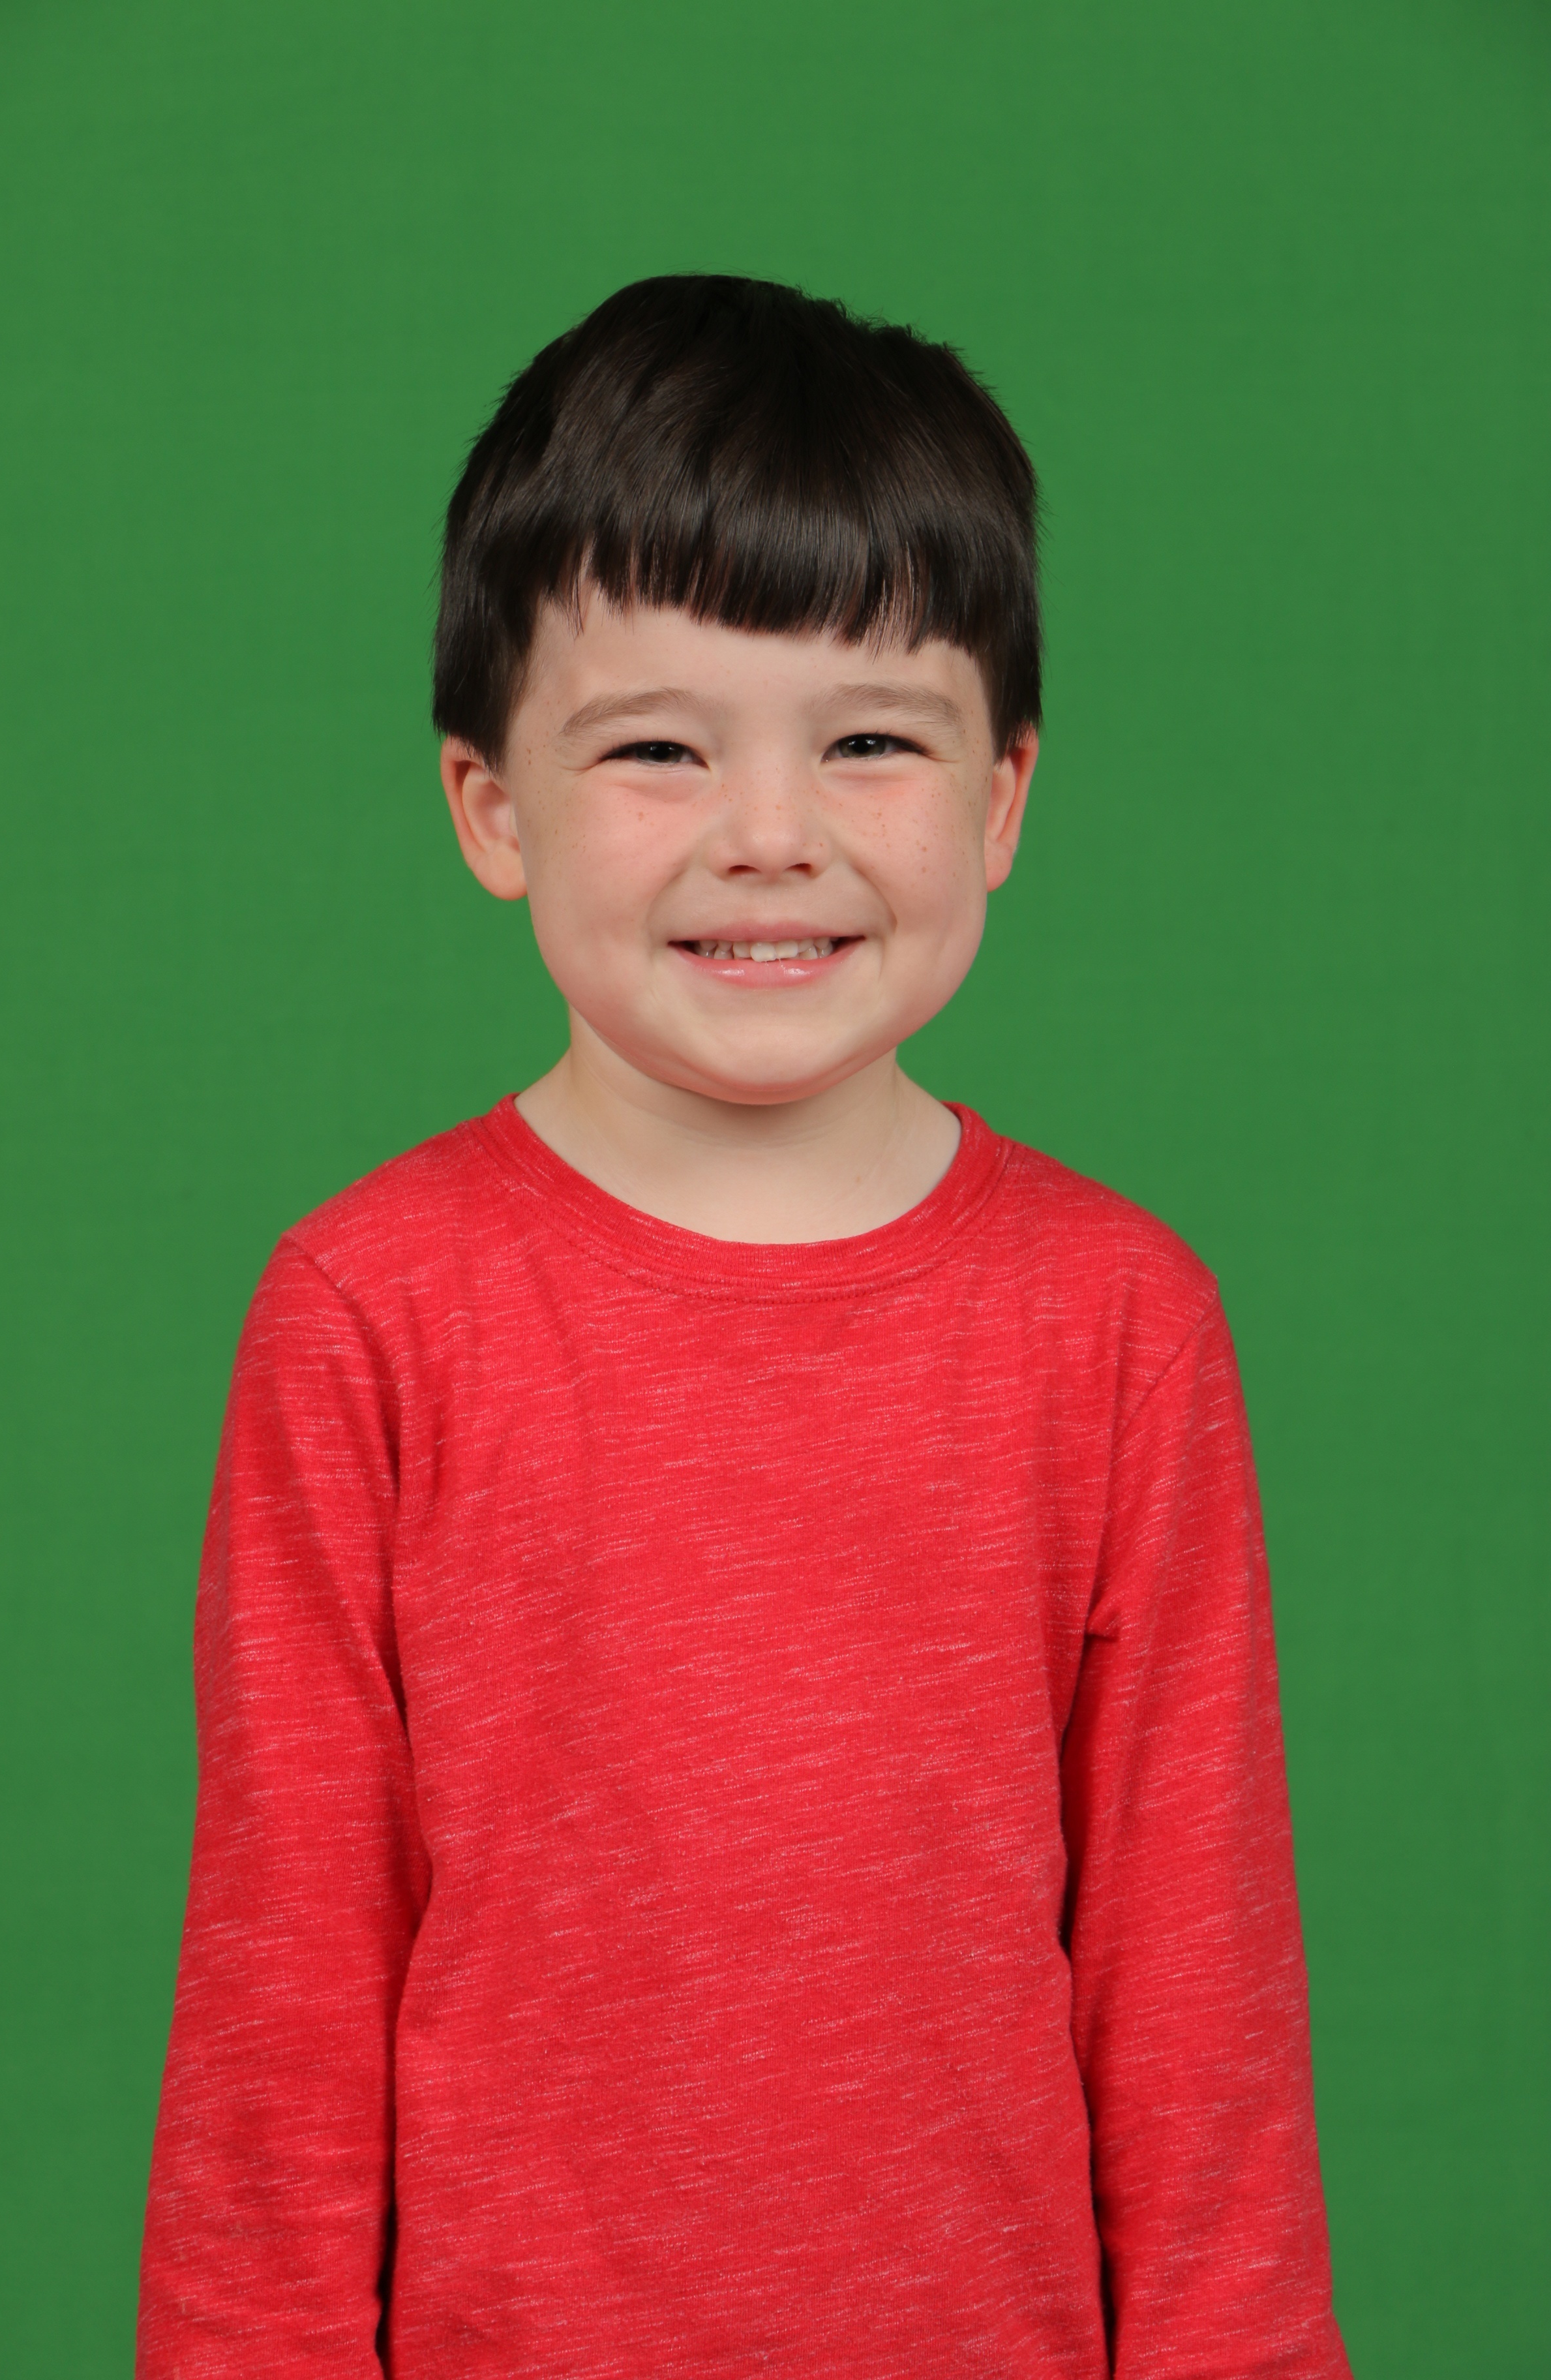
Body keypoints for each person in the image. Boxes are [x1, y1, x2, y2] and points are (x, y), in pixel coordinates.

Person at [138, 275, 1351, 2378]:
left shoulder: (1121, 1322)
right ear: (489, 806)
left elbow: (1200, 2007)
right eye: (658, 749)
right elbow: (283, 2005)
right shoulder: (366, 1313)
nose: (771, 836)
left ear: (1003, 796)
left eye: (870, 741)